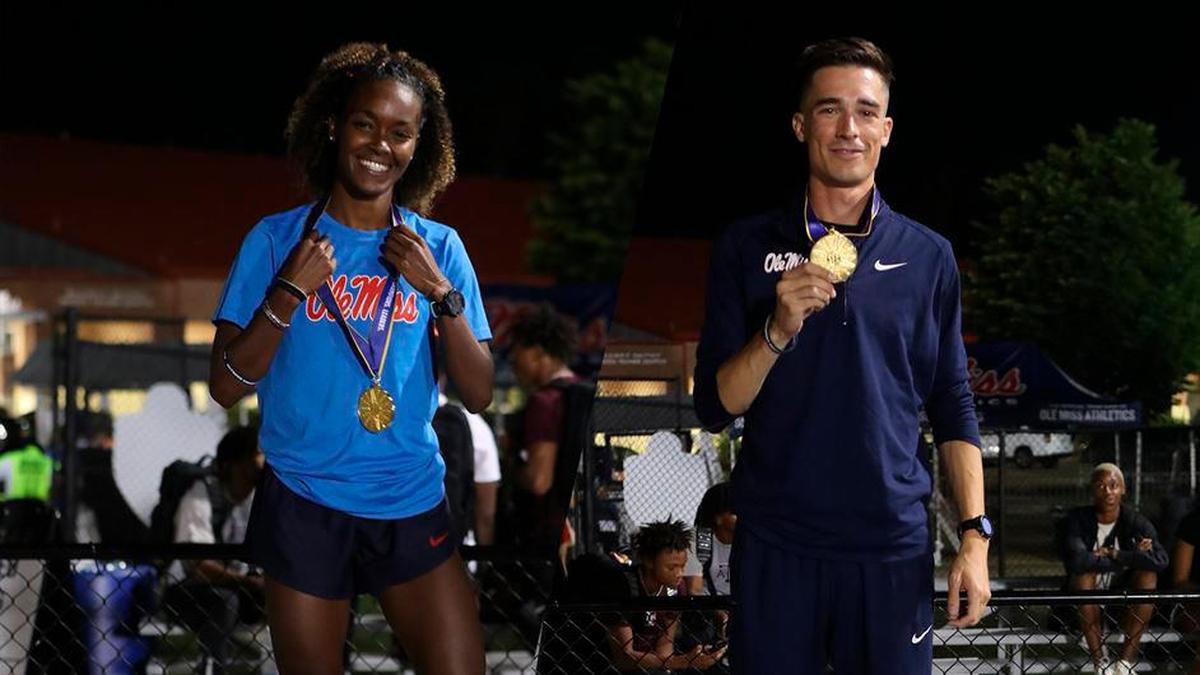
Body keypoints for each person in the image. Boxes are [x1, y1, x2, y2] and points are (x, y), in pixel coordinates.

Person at [692, 37, 990, 673]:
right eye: (829, 110)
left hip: (891, 550)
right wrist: (775, 329)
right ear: (802, 126)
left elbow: (953, 404)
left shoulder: (931, 257)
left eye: (864, 111)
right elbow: (715, 407)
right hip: (776, 545)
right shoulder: (747, 247)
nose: (847, 128)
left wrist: (975, 536)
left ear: (886, 129)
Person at [207, 42, 493, 675]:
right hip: (305, 501)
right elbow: (225, 385)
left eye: (400, 133)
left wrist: (440, 294)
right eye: (366, 124)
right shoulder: (278, 239)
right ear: (335, 124)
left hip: (410, 497)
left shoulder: (439, 248)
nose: (379, 145)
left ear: (418, 145)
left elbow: (480, 393)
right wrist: (287, 290)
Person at [161, 426, 265, 673]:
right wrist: (249, 583)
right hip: (185, 589)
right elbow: (198, 567)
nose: (263, 463)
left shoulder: (254, 498)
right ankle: (214, 667)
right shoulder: (200, 494)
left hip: (237, 585)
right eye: (257, 456)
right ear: (233, 463)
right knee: (223, 601)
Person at [1061, 463, 1167, 674]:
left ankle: (1125, 664)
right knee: (1084, 577)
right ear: (1092, 490)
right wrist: (1134, 558)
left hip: (1121, 606)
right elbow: (1077, 562)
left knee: (1148, 576)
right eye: (1100, 485)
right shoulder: (1076, 520)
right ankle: (1101, 664)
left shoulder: (1136, 522)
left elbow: (1160, 561)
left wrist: (1116, 554)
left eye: (1113, 485)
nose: (1108, 491)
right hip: (1080, 608)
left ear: (1123, 489)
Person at [503, 304, 582, 559]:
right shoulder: (580, 392)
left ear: (537, 354)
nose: (514, 364)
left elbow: (538, 481)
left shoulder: (545, 402)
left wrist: (509, 468)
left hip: (545, 534)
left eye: (518, 354)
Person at [606, 520, 727, 673]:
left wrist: (672, 666)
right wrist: (683, 662)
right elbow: (623, 657)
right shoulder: (625, 587)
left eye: (682, 567)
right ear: (649, 561)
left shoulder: (676, 590)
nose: (679, 574)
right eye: (671, 567)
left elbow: (665, 646)